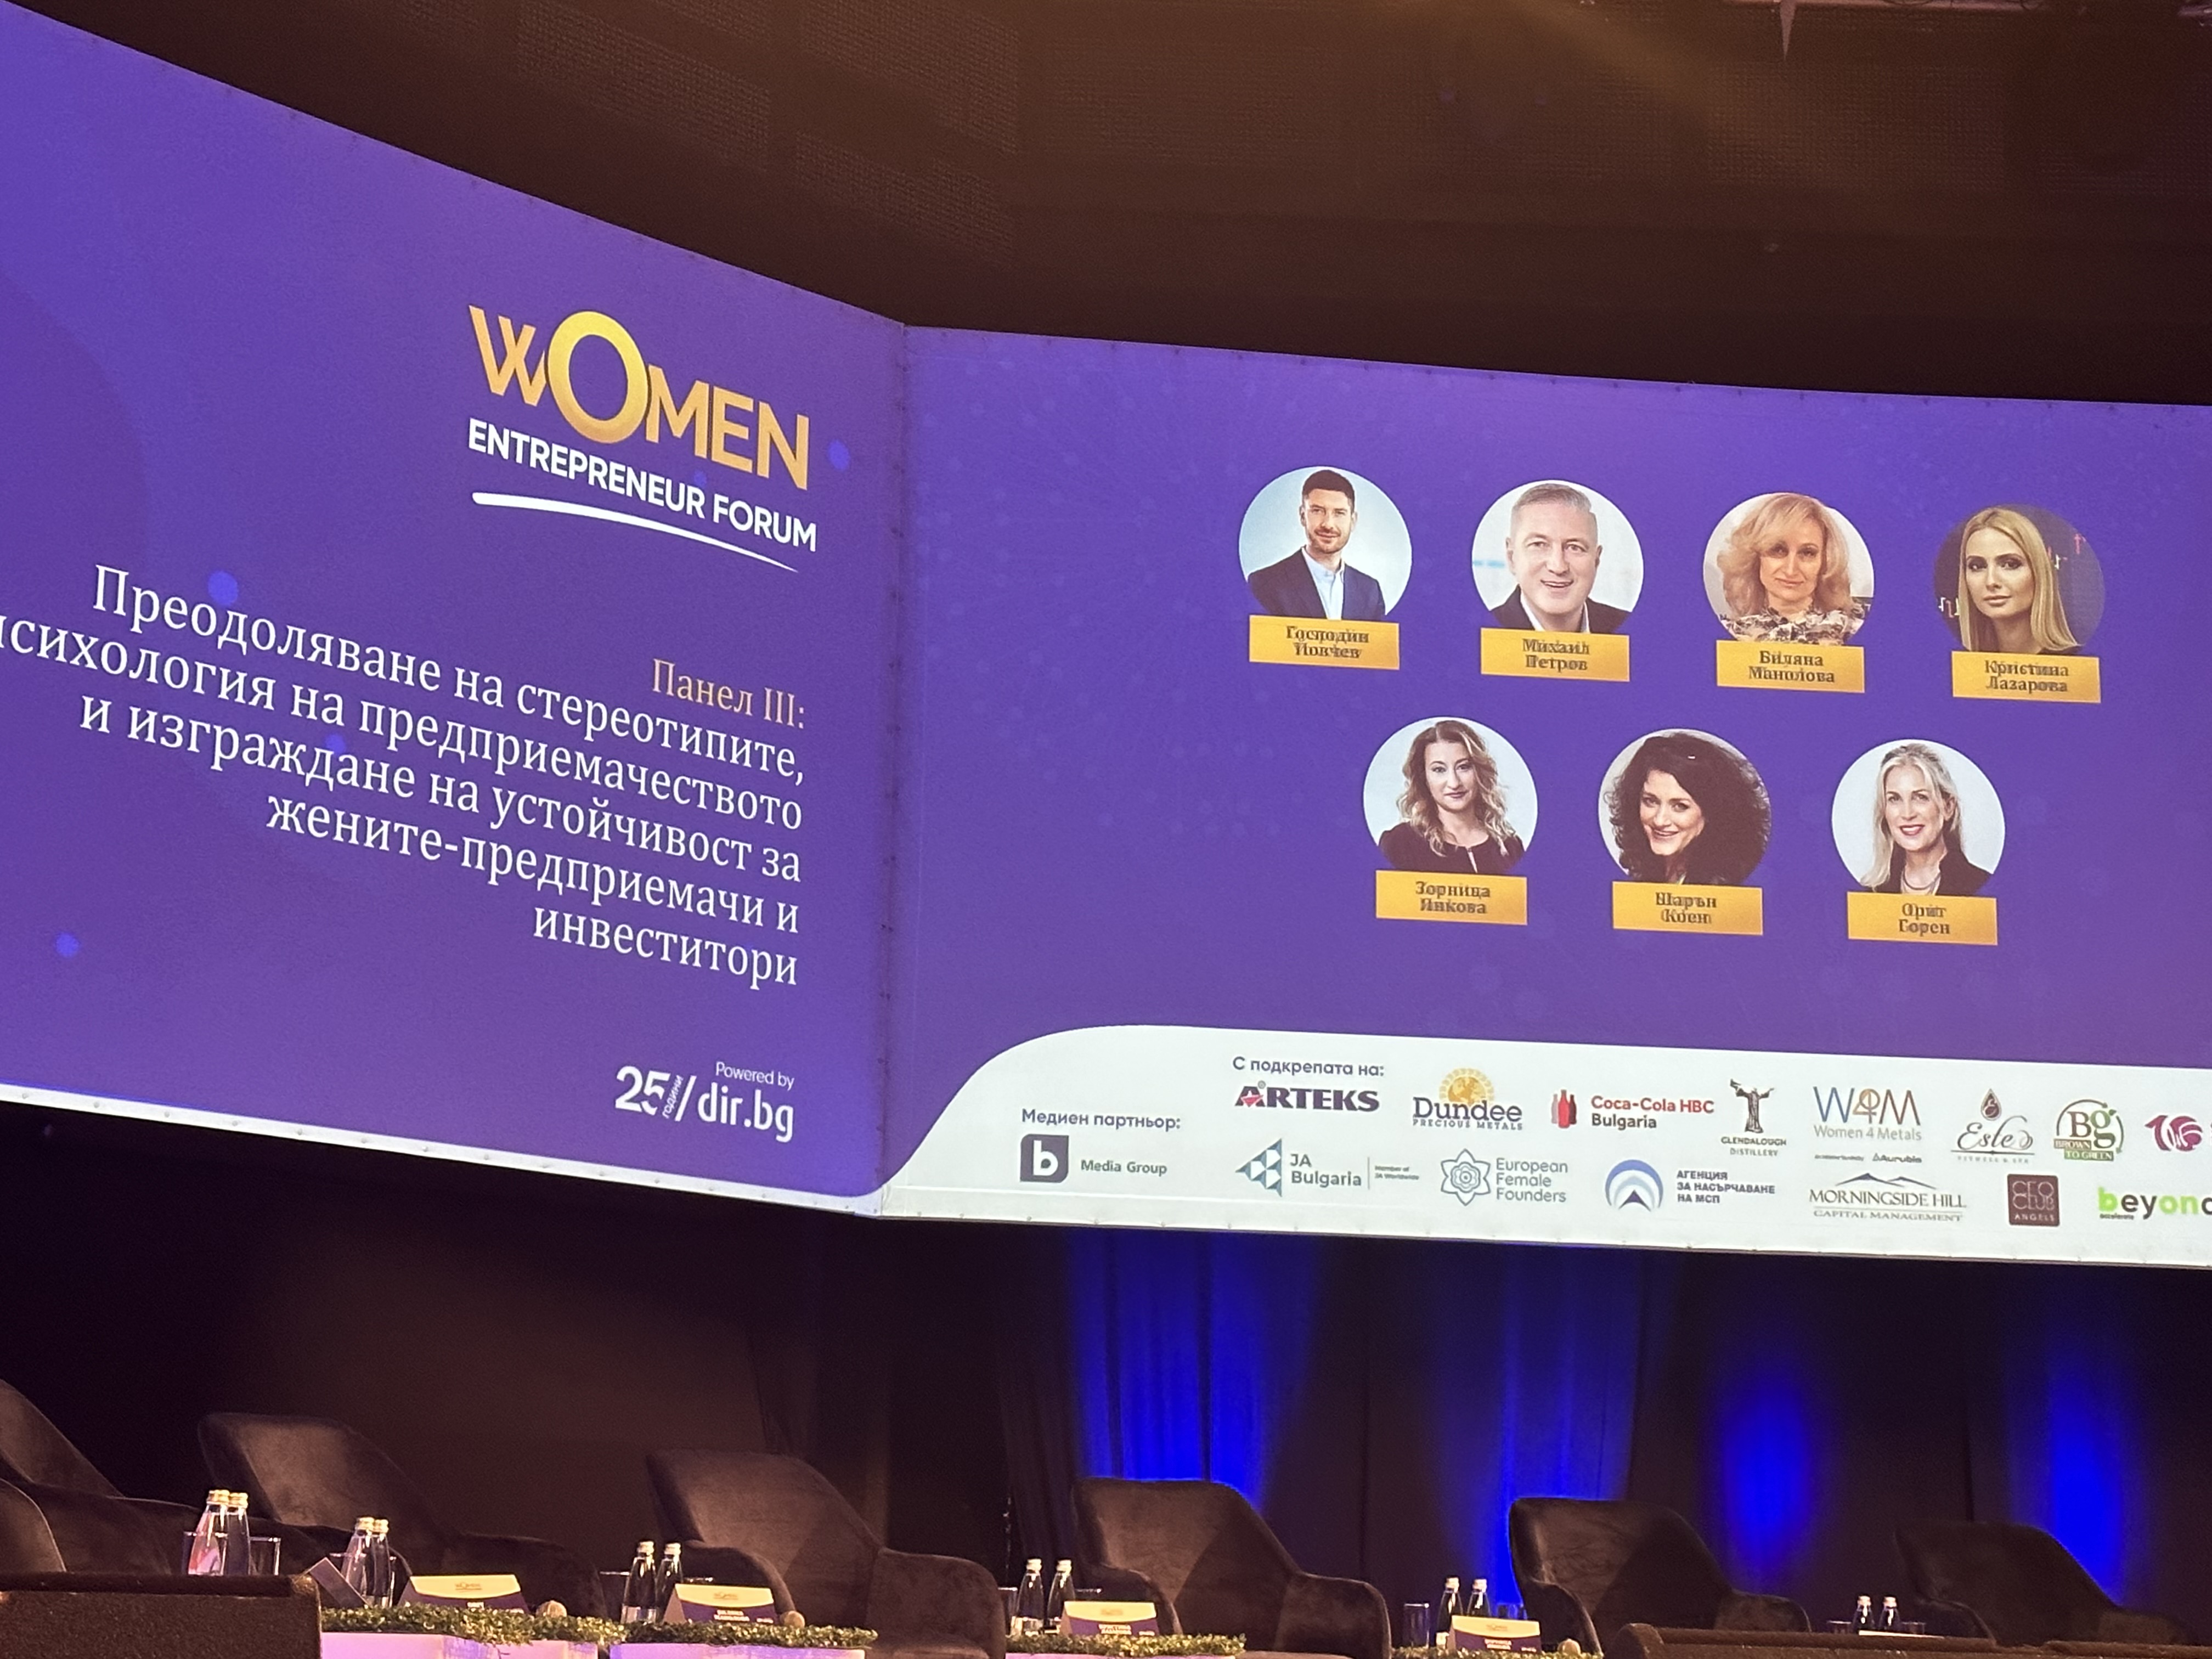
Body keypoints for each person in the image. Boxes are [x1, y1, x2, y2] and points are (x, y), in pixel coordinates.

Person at [1606, 731, 1769, 885]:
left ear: (1713, 813)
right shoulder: (1647, 871)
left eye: (1680, 806)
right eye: (1651, 801)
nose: (1660, 820)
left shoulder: (1729, 886)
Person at [1713, 492, 1869, 643]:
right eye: (1778, 550)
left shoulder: (1853, 632)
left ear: (1826, 561)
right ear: (1755, 558)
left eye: (1807, 553)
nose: (1791, 570)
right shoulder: (1730, 635)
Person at [1379, 720, 1526, 874]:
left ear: (1479, 772)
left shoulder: (1511, 846)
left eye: (1464, 767)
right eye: (1439, 770)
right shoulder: (1400, 843)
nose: (1454, 783)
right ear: (1424, 778)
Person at [1248, 469, 1388, 620]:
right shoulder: (1265, 584)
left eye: (1339, 513)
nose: (1328, 524)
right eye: (1318, 511)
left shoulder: (1370, 591)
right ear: (1303, 516)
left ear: (1353, 521)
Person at [1489, 482, 1629, 633]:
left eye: (1574, 548)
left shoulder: (1632, 631)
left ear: (1596, 561)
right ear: (1512, 557)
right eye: (1539, 545)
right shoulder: (1482, 631)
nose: (1558, 567)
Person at [1860, 742, 1990, 896]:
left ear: (1948, 807)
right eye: (1894, 799)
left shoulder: (1981, 886)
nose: (1907, 814)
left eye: (1921, 797)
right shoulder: (1870, 892)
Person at [1953, 506, 2081, 655]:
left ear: (2038, 573)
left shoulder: (2078, 663)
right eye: (1977, 566)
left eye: (2010, 564)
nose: (1991, 581)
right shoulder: (1957, 664)